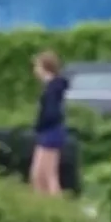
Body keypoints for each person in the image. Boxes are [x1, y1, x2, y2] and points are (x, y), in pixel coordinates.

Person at [30, 51, 68, 195]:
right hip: (49, 131)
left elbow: (51, 113)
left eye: (37, 66)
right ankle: (44, 207)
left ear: (45, 67)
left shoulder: (52, 88)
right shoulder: (51, 87)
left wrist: (40, 124)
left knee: (47, 175)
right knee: (39, 175)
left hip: (51, 132)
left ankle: (56, 209)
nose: (35, 70)